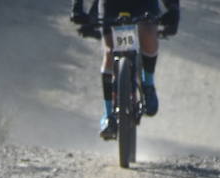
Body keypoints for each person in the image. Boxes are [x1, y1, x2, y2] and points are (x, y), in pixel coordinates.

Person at [70, 0, 181, 139]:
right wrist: (77, 8)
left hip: (143, 4)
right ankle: (108, 115)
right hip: (111, 4)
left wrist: (173, 9)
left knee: (148, 35)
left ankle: (148, 85)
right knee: (110, 52)